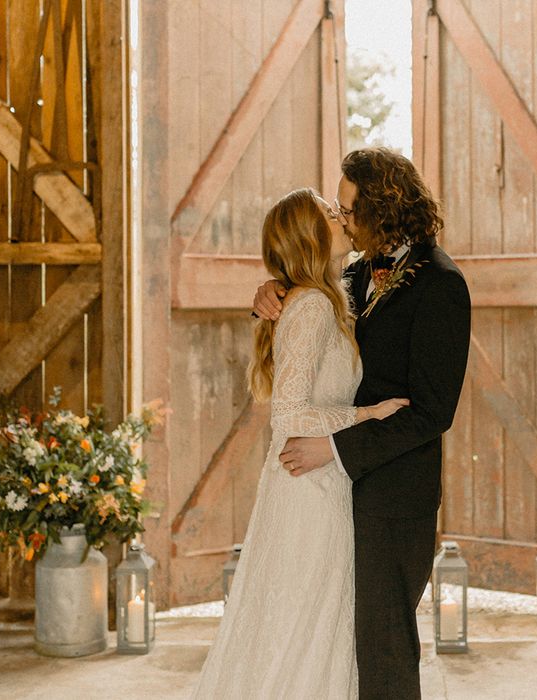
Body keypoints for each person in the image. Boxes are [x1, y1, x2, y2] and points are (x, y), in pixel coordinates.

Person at [254, 148, 471, 699]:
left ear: (381, 209)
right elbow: (309, 325)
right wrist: (267, 296)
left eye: (348, 210)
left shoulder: (441, 285)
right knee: (333, 638)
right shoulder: (353, 273)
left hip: (394, 493)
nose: (342, 220)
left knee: (384, 643)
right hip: (335, 494)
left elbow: (430, 412)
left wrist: (337, 448)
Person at [193, 188, 408, 699]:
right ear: (312, 235)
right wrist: (366, 414)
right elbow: (287, 415)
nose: (342, 217)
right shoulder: (311, 306)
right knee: (303, 622)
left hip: (320, 479)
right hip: (307, 485)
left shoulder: (327, 296)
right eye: (331, 214)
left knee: (309, 623)